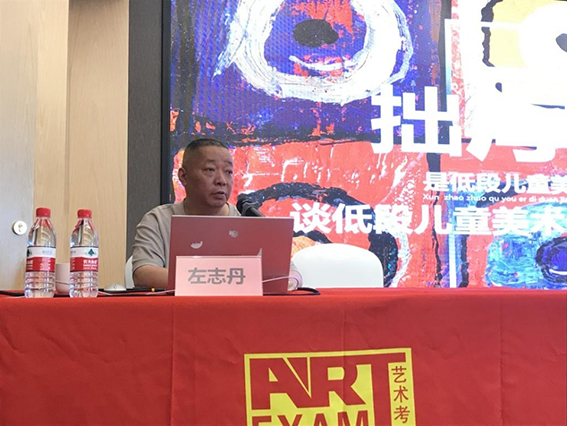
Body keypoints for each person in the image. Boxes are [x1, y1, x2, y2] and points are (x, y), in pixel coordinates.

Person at [132, 138, 301, 290]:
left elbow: (291, 275)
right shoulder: (159, 220)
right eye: (210, 170)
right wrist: (224, 279)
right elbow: (143, 274)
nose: (221, 180)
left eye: (228, 172)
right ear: (183, 176)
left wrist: (208, 279)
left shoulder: (250, 222)